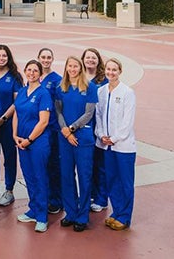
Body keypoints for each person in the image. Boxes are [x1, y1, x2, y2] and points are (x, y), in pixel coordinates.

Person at [55, 56, 98, 232]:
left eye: (75, 66)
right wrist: (65, 130)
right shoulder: (61, 88)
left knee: (84, 177)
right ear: (66, 68)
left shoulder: (90, 87)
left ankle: (82, 216)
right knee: (66, 176)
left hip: (82, 138)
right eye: (69, 66)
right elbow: (57, 110)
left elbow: (89, 113)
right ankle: (71, 213)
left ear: (80, 68)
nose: (72, 69)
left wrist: (72, 128)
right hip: (65, 137)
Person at [95, 58, 136, 231]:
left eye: (114, 69)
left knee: (125, 181)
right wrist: (102, 134)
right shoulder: (101, 91)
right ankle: (116, 212)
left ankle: (124, 216)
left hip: (123, 146)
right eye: (108, 69)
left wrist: (116, 137)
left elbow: (128, 120)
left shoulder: (127, 92)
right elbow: (98, 115)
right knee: (111, 180)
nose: (111, 72)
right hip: (106, 145)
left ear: (120, 71)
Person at [13, 60, 52, 233]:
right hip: (21, 142)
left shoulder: (43, 94)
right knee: (28, 177)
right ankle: (33, 209)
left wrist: (29, 139)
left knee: (40, 177)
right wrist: (15, 135)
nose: (32, 73)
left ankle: (42, 216)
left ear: (40, 74)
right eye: (29, 70)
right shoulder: (22, 92)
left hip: (37, 143)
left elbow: (43, 122)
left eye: (35, 70)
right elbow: (16, 114)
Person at [0, 44, 23, 207]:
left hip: (7, 123)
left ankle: (9, 190)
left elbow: (17, 102)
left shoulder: (15, 77)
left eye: (4, 55)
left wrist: (2, 119)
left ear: (8, 58)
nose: (1, 58)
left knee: (9, 157)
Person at [82, 47, 109, 213]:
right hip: (83, 126)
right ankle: (90, 194)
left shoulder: (103, 80)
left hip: (98, 126)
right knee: (86, 164)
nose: (90, 60)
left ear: (98, 60)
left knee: (100, 163)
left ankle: (101, 198)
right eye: (87, 58)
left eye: (93, 58)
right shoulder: (78, 77)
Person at [38, 47, 63, 214]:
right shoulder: (33, 77)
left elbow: (60, 106)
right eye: (43, 57)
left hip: (52, 128)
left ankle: (56, 199)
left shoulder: (57, 80)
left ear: (52, 59)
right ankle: (43, 198)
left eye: (48, 57)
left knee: (54, 165)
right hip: (38, 129)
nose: (45, 60)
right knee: (41, 166)